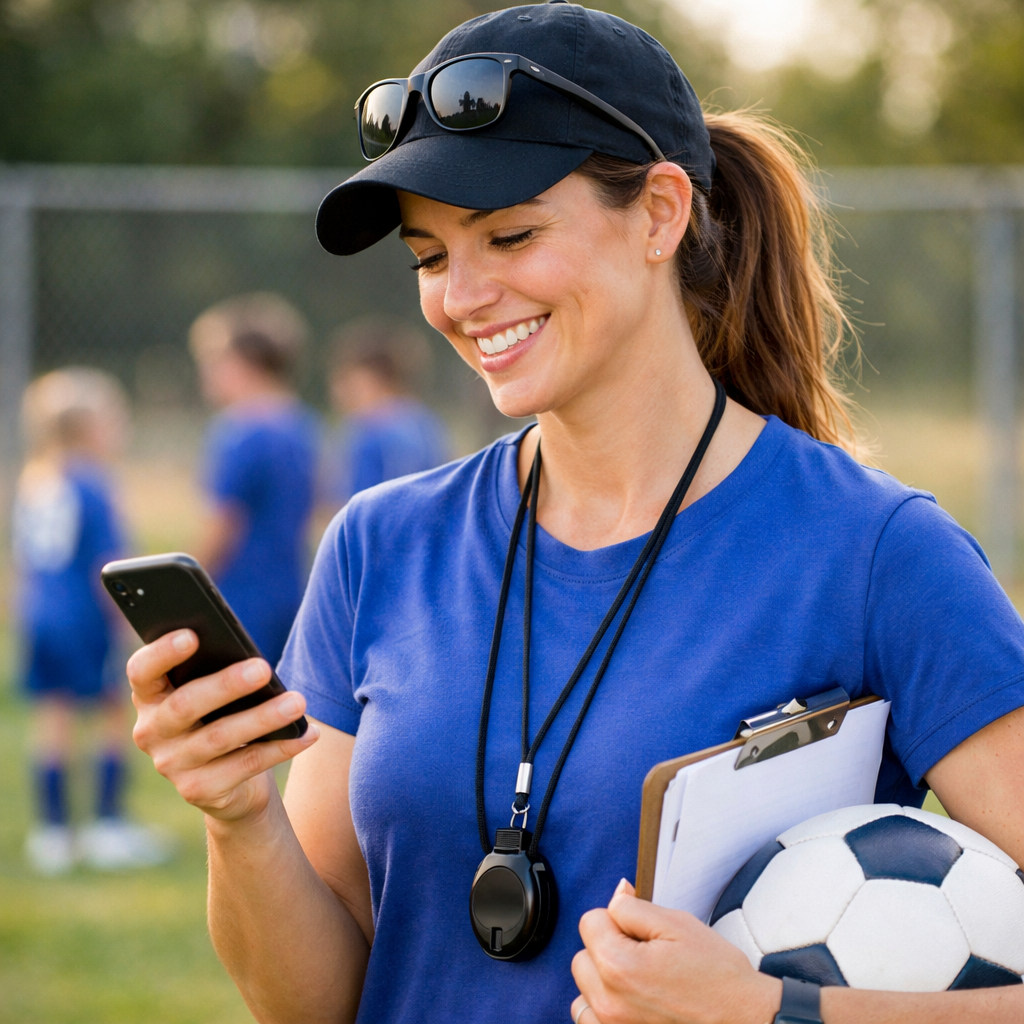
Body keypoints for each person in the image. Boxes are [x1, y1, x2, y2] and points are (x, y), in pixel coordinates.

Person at [125, 4, 1024, 1023]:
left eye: (507, 234)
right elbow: (317, 1002)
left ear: (658, 214)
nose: (461, 295)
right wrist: (238, 817)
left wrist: (776, 1011)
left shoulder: (876, 551)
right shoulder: (378, 545)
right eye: (428, 256)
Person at [13, 368, 169, 873]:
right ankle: (107, 826)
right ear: (87, 427)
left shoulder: (34, 480)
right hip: (83, 619)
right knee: (109, 714)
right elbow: (110, 566)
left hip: (39, 615)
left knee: (52, 718)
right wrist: (129, 625)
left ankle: (53, 834)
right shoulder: (93, 483)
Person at [189, 293, 319, 665]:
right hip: (290, 590)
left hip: (238, 598)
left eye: (215, 361)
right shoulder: (302, 425)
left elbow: (222, 526)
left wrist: (188, 589)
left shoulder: (238, 431)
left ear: (246, 363)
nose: (207, 372)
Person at [324, 315, 451, 507]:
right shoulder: (427, 423)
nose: (338, 390)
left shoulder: (367, 432)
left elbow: (354, 508)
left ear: (369, 378)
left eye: (345, 378)